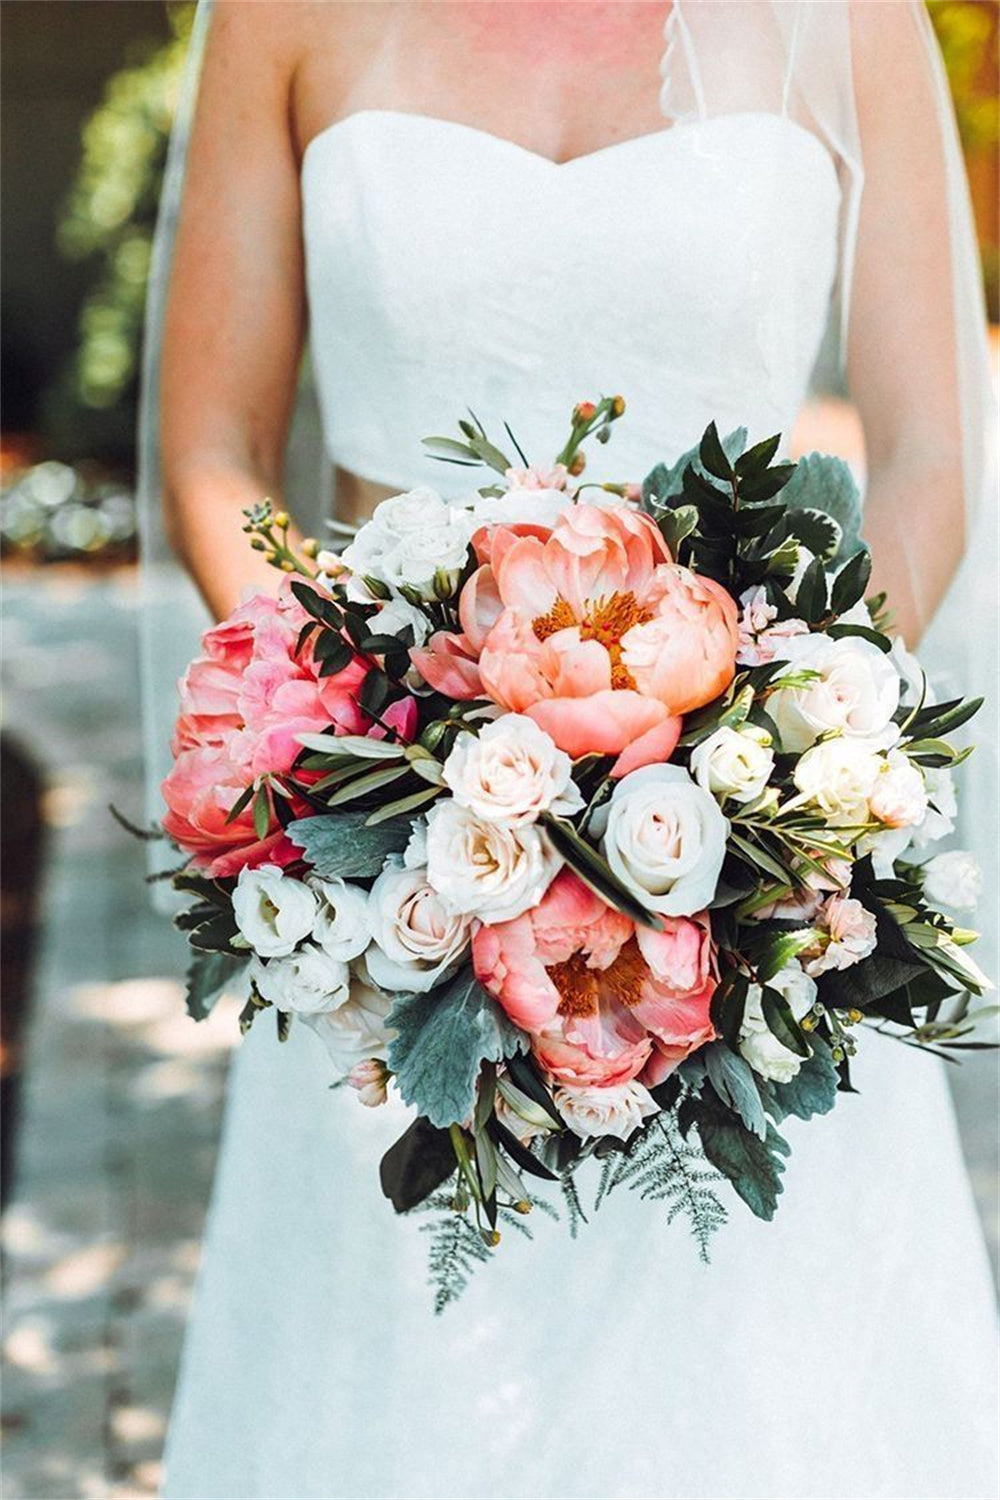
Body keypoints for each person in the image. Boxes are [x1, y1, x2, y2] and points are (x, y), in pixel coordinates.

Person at [149, 3, 998, 1496]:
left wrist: (802, 730)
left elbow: (930, 442)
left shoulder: (850, 21)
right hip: (403, 856)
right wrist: (356, 730)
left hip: (747, 862)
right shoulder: (280, 19)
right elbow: (216, 438)